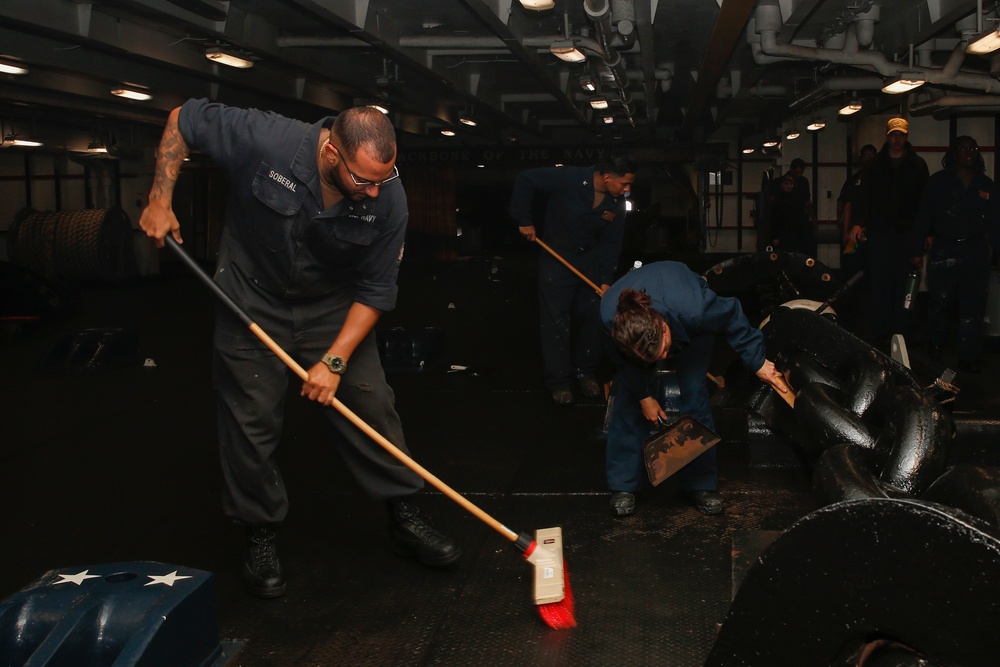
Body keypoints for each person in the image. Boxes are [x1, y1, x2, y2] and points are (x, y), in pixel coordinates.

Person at [139, 99, 460, 599]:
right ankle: (259, 533)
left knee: (372, 406)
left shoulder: (389, 197)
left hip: (333, 306)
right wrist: (160, 198)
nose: (374, 191)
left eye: (384, 178)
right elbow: (184, 117)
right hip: (248, 297)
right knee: (250, 421)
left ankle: (404, 515)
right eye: (363, 180)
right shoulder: (267, 139)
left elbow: (376, 290)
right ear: (332, 151)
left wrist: (333, 362)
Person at [599, 262, 790, 517]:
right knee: (628, 396)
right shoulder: (611, 320)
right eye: (655, 358)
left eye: (665, 350)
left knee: (694, 392)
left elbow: (733, 313)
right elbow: (625, 364)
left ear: (664, 326)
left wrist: (757, 362)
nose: (665, 357)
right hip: (641, 333)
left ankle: (700, 485)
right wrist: (644, 396)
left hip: (690, 325)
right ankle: (623, 485)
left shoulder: (696, 309)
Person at [509, 154, 638, 404]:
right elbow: (525, 180)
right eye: (624, 183)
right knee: (556, 322)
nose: (627, 189)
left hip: (589, 262)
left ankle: (585, 372)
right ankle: (559, 382)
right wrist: (524, 220)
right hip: (556, 258)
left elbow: (612, 244)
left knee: (594, 316)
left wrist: (605, 279)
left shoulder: (618, 204)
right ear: (607, 177)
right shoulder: (568, 177)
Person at [910, 135, 1000, 373]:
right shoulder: (938, 182)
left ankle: (968, 357)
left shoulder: (986, 184)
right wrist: (916, 250)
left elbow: (995, 223)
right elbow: (923, 217)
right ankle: (936, 345)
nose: (969, 152)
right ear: (954, 153)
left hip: (975, 251)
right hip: (943, 250)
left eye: (973, 148)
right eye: (963, 148)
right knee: (940, 303)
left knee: (973, 308)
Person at [847, 118, 929, 350]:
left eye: (901, 135)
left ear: (906, 136)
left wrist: (927, 233)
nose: (897, 139)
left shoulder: (918, 165)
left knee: (906, 285)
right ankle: (880, 332)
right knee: (881, 284)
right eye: (893, 135)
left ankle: (905, 331)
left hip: (907, 234)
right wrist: (856, 224)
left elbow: (925, 203)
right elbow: (863, 199)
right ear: (887, 136)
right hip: (881, 234)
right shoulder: (875, 166)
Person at [837, 144, 878, 280]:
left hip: (873, 231)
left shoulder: (881, 180)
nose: (869, 159)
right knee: (852, 268)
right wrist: (845, 231)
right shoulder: (854, 181)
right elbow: (847, 205)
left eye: (872, 156)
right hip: (854, 231)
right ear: (861, 158)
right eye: (866, 156)